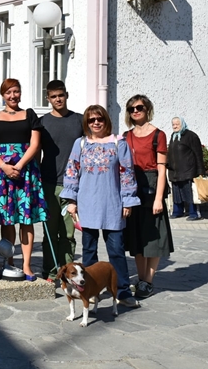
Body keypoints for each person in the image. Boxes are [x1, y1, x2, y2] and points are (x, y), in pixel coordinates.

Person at [60, 105, 141, 308]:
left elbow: (127, 173)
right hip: (87, 204)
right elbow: (72, 171)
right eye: (91, 120)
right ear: (86, 123)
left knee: (116, 250)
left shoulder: (118, 144)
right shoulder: (81, 144)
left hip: (112, 204)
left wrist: (128, 200)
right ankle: (90, 290)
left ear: (106, 120)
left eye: (99, 119)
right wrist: (71, 201)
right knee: (89, 251)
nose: (96, 123)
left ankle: (122, 290)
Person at [0, 78, 46, 280]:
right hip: (2, 172)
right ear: (2, 94)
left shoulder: (29, 115)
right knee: (6, 219)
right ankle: (8, 262)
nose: (13, 96)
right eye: (8, 92)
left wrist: (18, 166)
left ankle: (26, 266)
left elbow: (35, 144)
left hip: (25, 172)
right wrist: (4, 167)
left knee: (26, 219)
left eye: (16, 91)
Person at [123, 94, 174, 300]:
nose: (135, 111)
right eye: (131, 109)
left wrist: (159, 198)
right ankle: (141, 279)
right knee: (136, 238)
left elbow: (162, 170)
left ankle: (148, 281)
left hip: (152, 187)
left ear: (147, 109)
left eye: (139, 108)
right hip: (132, 188)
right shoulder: (126, 136)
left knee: (152, 238)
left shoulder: (158, 135)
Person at [38, 80, 82, 279]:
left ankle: (68, 271)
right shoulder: (42, 123)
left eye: (61, 95)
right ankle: (51, 269)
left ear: (67, 95)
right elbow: (35, 151)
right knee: (49, 232)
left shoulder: (79, 121)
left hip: (72, 186)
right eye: (53, 96)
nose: (58, 99)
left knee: (68, 234)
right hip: (47, 183)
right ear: (48, 98)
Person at [167, 117, 206, 221]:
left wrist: (200, 171)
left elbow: (198, 154)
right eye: (173, 124)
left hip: (188, 171)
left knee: (190, 193)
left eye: (177, 124)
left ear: (182, 124)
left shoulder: (191, 136)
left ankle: (194, 213)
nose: (175, 126)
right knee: (177, 193)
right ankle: (177, 211)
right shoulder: (174, 136)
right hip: (175, 172)